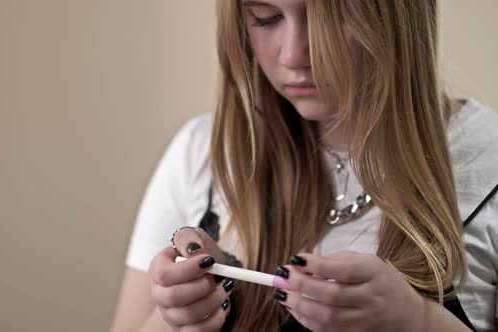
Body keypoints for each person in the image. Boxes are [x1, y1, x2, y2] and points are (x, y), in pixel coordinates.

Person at [111, 0, 498, 331]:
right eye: (265, 17)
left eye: (329, 16)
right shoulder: (201, 155)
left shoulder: (488, 163)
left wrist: (419, 322)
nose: (294, 56)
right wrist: (176, 318)